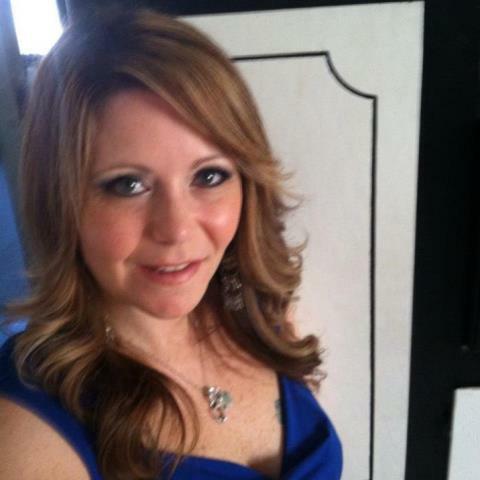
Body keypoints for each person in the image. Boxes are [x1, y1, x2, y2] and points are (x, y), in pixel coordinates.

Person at [0, 8, 342, 480]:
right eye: (127, 185)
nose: (177, 229)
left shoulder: (261, 313)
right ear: (61, 204)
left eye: (209, 176)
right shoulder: (25, 433)